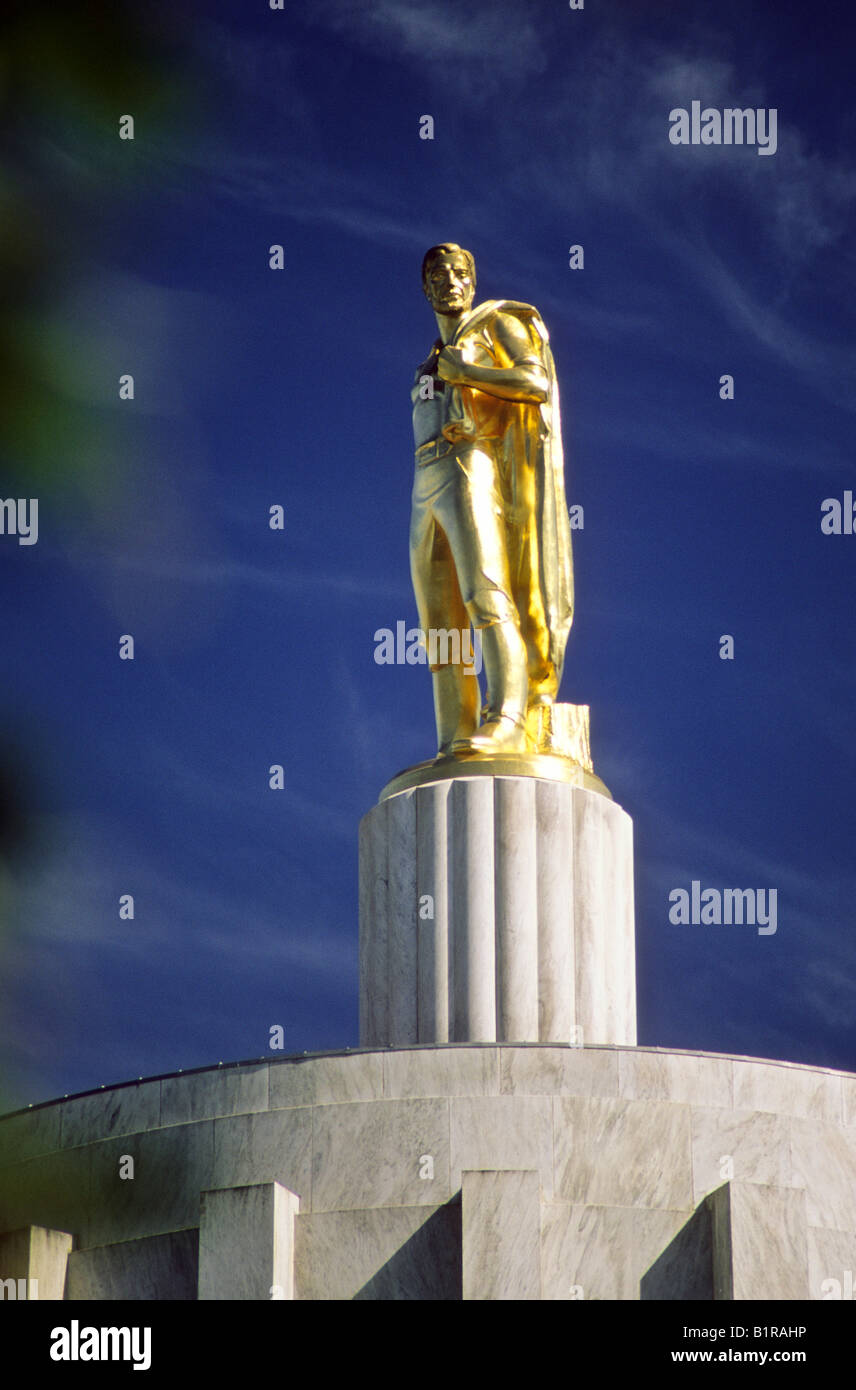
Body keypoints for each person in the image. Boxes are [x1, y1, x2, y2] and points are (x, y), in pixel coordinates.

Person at [410, 243, 574, 756]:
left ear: (473, 283)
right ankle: (453, 736)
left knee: (485, 594)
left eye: (460, 274)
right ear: (426, 288)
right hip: (424, 477)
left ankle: (505, 715)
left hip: (469, 462)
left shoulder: (494, 325)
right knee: (440, 625)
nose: (450, 283)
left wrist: (471, 375)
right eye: (438, 275)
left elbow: (535, 381)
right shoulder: (430, 358)